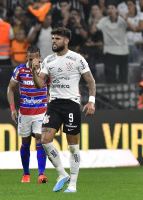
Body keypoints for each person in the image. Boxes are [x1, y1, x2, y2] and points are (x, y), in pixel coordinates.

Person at [31, 27, 96, 193]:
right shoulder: (49, 60)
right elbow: (40, 84)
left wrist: (91, 102)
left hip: (71, 105)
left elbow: (91, 81)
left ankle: (73, 184)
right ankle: (62, 174)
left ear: (66, 41)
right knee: (44, 140)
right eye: (53, 38)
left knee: (73, 146)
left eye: (57, 38)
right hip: (53, 104)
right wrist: (33, 70)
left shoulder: (76, 58)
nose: (54, 41)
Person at [7, 45, 48, 184]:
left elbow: (52, 88)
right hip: (24, 112)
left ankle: (41, 174)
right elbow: (10, 88)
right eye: (30, 59)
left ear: (40, 57)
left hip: (41, 110)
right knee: (25, 142)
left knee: (39, 139)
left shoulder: (45, 70)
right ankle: (26, 174)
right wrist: (13, 108)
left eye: (35, 58)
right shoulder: (20, 70)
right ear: (27, 58)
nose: (32, 62)